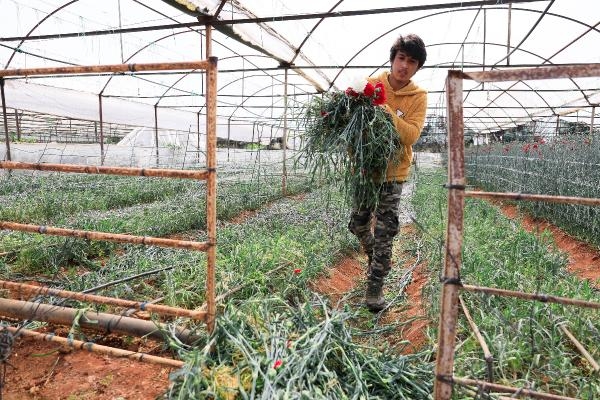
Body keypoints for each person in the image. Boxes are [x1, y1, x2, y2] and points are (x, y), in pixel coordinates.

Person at [348, 34, 428, 312]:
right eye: (401, 58)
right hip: (365, 169)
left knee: (385, 231)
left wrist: (384, 111)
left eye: (412, 61)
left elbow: (410, 135)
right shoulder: (371, 85)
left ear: (418, 67)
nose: (404, 65)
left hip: (394, 173)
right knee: (357, 224)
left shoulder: (418, 97)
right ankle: (376, 258)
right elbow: (353, 125)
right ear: (393, 59)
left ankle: (375, 289)